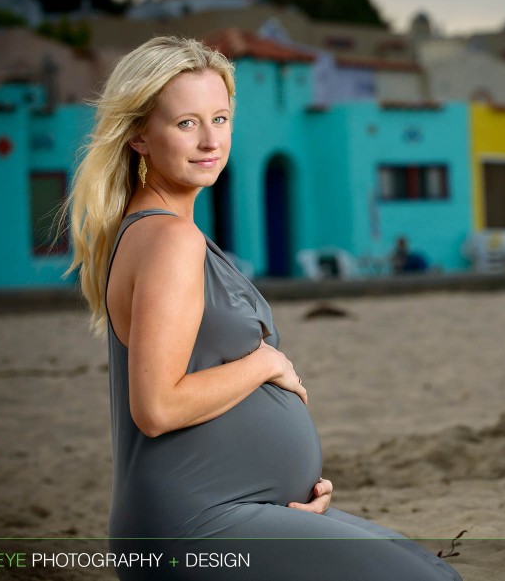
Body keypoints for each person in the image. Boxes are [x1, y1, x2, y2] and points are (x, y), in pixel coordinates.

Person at [58, 36, 462, 580]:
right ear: (139, 137)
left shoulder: (169, 234)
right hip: (196, 525)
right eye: (186, 124)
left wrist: (283, 495)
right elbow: (156, 407)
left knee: (423, 566)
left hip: (235, 513)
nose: (209, 141)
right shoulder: (169, 242)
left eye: (220, 119)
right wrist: (265, 364)